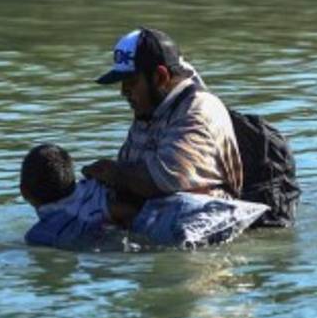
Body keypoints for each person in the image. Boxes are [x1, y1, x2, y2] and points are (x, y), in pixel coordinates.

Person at [82, 27, 243, 211]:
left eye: (131, 82)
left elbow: (165, 180)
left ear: (160, 77)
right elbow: (128, 169)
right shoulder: (150, 110)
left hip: (203, 224)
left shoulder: (197, 110)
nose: (123, 91)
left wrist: (110, 171)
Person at [19, 142, 266, 249]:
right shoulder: (93, 184)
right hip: (183, 204)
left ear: (24, 193)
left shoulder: (43, 233)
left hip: (160, 228)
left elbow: (124, 213)